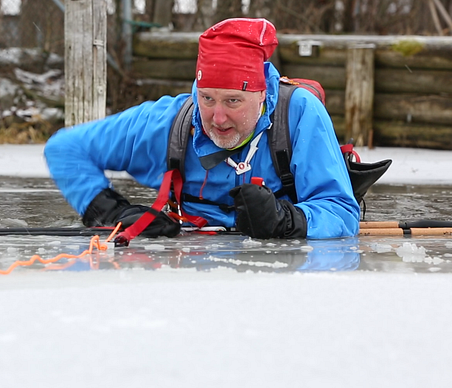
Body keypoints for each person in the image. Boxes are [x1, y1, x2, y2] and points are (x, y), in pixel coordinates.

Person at [44, 18, 360, 240]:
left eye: (233, 101)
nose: (217, 118)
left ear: (262, 94)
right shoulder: (166, 123)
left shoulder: (300, 114)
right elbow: (65, 149)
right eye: (207, 98)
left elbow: (341, 212)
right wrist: (110, 212)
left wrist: (288, 221)